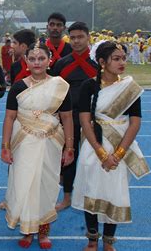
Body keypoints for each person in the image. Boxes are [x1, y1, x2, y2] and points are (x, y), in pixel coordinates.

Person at [72, 41, 150, 251]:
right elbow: (84, 121)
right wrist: (100, 152)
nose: (122, 62)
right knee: (92, 189)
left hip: (120, 146)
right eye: (116, 59)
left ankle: (108, 242)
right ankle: (91, 240)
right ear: (102, 62)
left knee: (114, 192)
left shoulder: (129, 88)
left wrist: (118, 154)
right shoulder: (88, 86)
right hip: (93, 145)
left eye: (123, 58)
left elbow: (135, 122)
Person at [1, 42, 74, 250]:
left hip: (51, 142)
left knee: (46, 184)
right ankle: (27, 229)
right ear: (25, 61)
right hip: (23, 142)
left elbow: (67, 118)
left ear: (49, 60)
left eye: (41, 58)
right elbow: (9, 118)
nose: (37, 62)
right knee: (24, 182)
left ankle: (43, 231)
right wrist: (5, 146)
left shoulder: (60, 86)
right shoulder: (18, 86)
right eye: (32, 59)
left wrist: (70, 147)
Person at [52, 22, 98, 211]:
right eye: (73, 38)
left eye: (81, 37)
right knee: (69, 156)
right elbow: (52, 89)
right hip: (68, 118)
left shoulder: (98, 64)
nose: (77, 41)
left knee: (93, 158)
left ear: (88, 38)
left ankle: (93, 196)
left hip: (93, 118)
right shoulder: (61, 64)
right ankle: (67, 197)